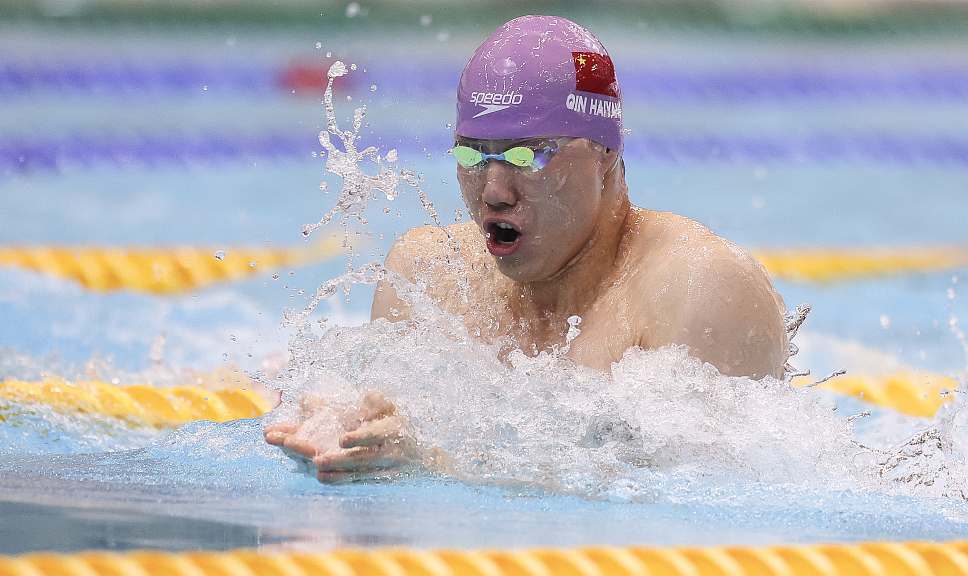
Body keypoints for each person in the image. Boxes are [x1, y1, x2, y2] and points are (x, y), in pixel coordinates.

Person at [265, 15, 788, 483]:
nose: (493, 190)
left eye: (525, 155)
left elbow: (712, 492)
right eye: (473, 154)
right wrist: (346, 431)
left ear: (604, 152)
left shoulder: (698, 288)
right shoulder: (429, 275)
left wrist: (439, 455)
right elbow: (391, 439)